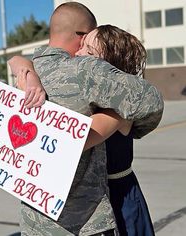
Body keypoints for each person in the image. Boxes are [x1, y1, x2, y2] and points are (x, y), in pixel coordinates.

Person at [8, 2, 163, 236]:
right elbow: (150, 100)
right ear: (81, 36)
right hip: (86, 221)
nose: (82, 52)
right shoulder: (87, 72)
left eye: (89, 50)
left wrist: (26, 70)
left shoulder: (28, 73)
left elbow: (15, 59)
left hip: (34, 219)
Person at [75, 24, 155, 236]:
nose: (78, 53)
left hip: (118, 197)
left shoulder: (119, 107)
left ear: (109, 65)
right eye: (81, 47)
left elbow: (76, 140)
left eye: (89, 52)